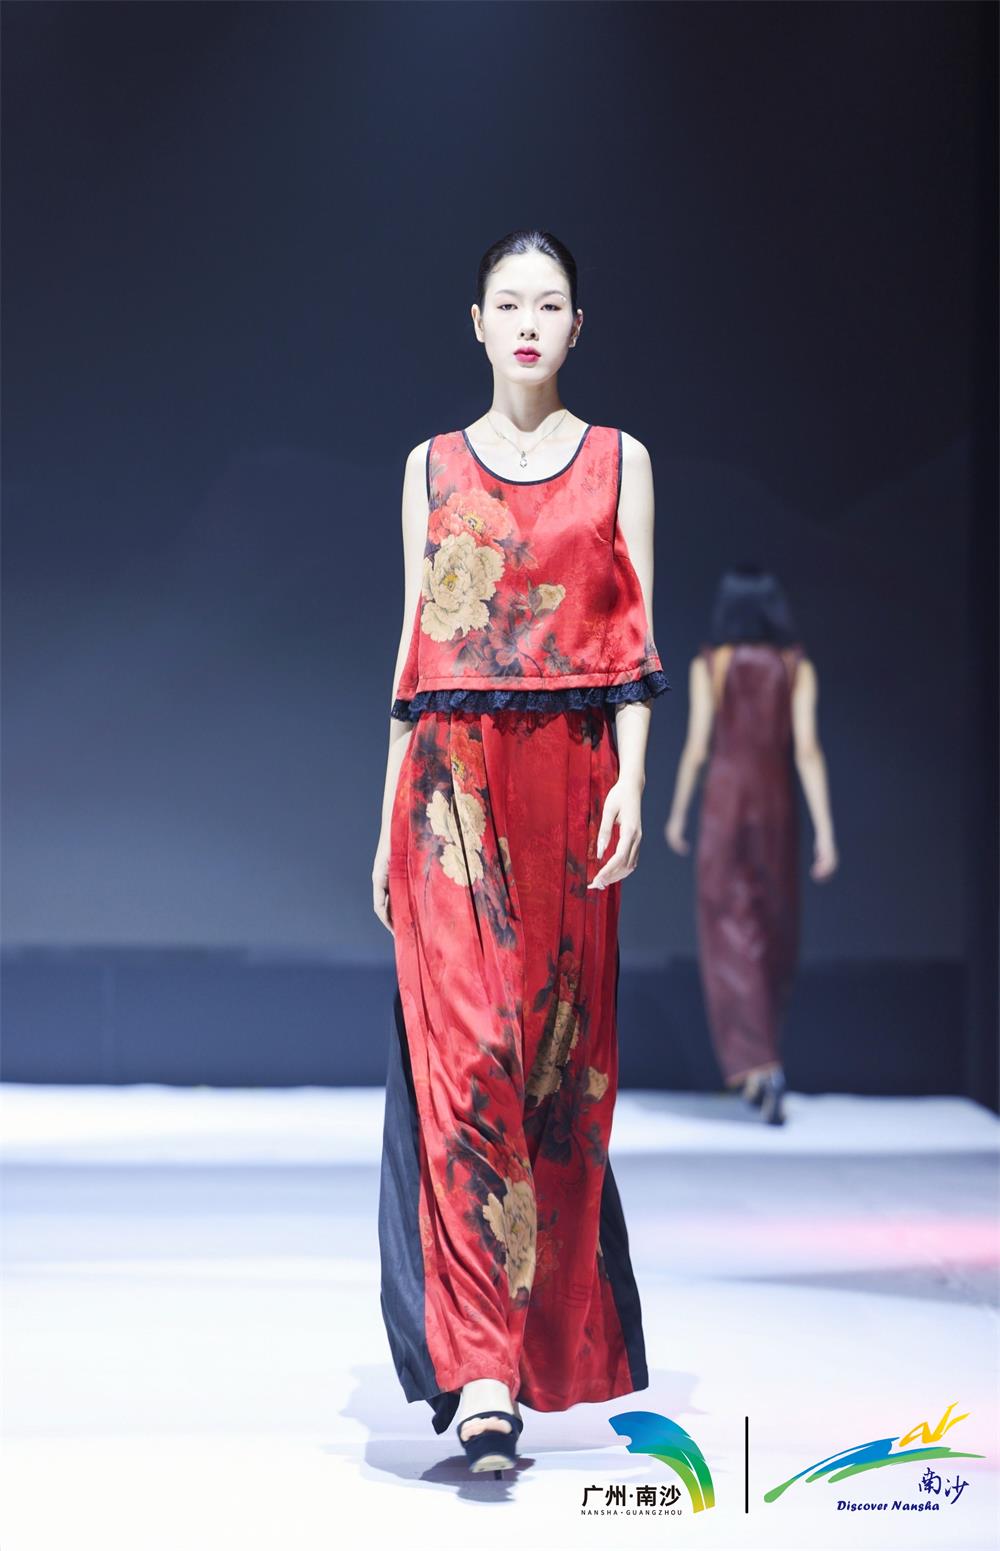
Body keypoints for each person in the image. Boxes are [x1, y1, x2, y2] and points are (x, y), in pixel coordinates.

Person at [371, 229, 670, 1474]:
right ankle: (481, 1375)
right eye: (510, 304)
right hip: (448, 790)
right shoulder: (430, 466)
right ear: (478, 323)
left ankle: (523, 1351)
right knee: (468, 1063)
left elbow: (636, 642)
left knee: (554, 1075)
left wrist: (634, 782)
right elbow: (415, 651)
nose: (530, 323)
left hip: (571, 784)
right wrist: (379, 821)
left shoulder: (619, 462)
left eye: (551, 305)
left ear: (576, 327)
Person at [663, 566, 838, 1125]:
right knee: (772, 928)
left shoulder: (711, 665)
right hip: (776, 807)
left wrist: (677, 813)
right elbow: (807, 750)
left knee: (727, 931)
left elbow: (697, 746)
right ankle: (765, 1060)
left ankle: (758, 1065)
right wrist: (825, 831)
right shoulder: (795, 666)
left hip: (724, 804)